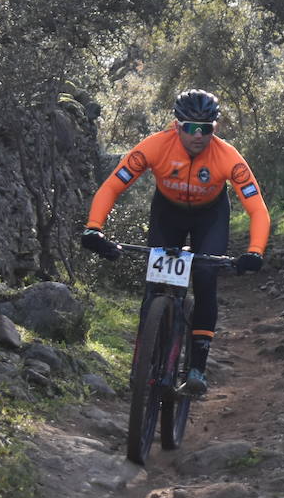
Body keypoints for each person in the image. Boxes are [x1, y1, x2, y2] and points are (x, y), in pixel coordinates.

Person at [81, 89, 270, 398]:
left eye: (206, 128)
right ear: (176, 125)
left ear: (215, 128)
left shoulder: (228, 157)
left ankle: (196, 367)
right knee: (154, 284)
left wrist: (255, 251)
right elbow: (113, 185)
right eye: (190, 127)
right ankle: (143, 361)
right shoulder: (155, 147)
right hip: (167, 213)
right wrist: (94, 229)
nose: (198, 135)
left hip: (210, 217)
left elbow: (256, 208)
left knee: (206, 278)